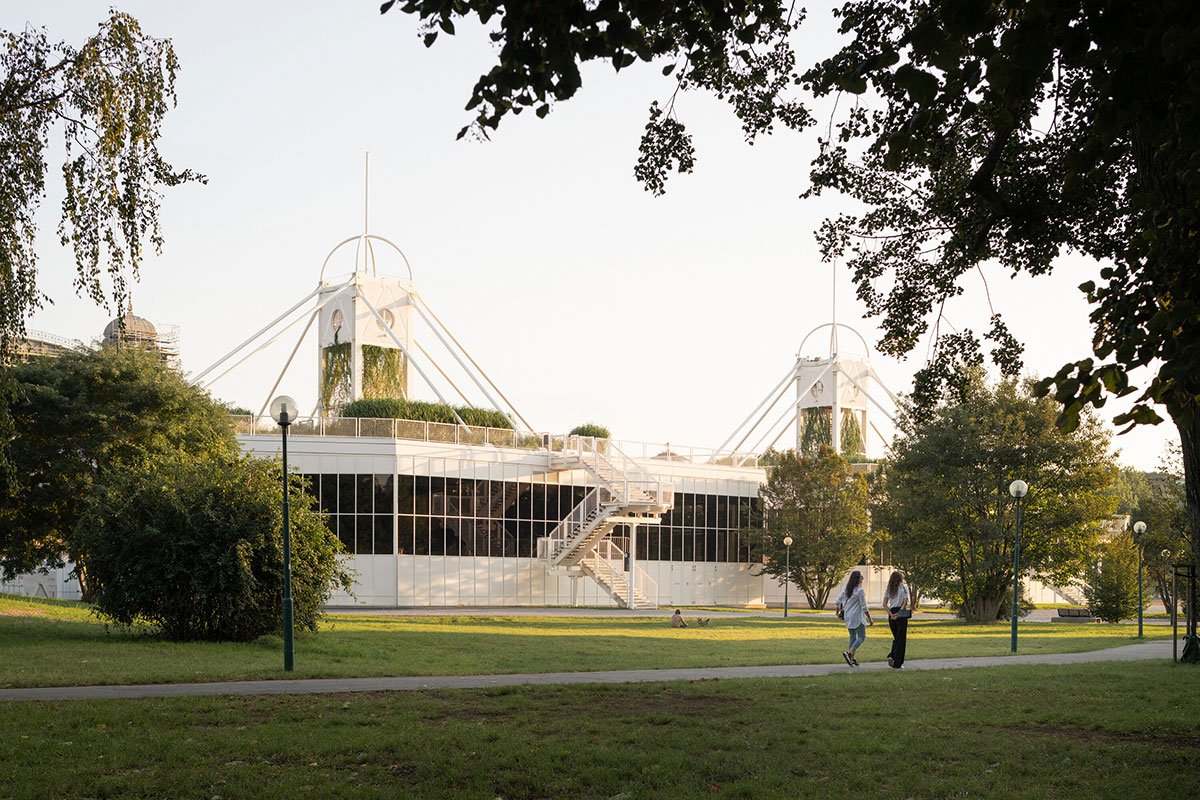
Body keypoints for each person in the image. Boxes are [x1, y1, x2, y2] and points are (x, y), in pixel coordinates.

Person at [835, 570, 871, 666]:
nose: (862, 578)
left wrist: (837, 612)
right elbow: (864, 607)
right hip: (857, 617)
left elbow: (838, 601)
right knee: (862, 637)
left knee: (852, 636)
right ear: (857, 579)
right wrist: (870, 619)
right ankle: (849, 652)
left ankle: (851, 659)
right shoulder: (860, 590)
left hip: (847, 616)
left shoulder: (845, 588)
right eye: (861, 577)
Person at [882, 570, 911, 669]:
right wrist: (899, 614)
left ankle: (893, 655)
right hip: (901, 613)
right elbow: (905, 601)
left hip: (891, 613)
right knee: (901, 639)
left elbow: (884, 604)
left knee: (896, 637)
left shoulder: (889, 589)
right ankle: (897, 662)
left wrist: (891, 615)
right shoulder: (904, 587)